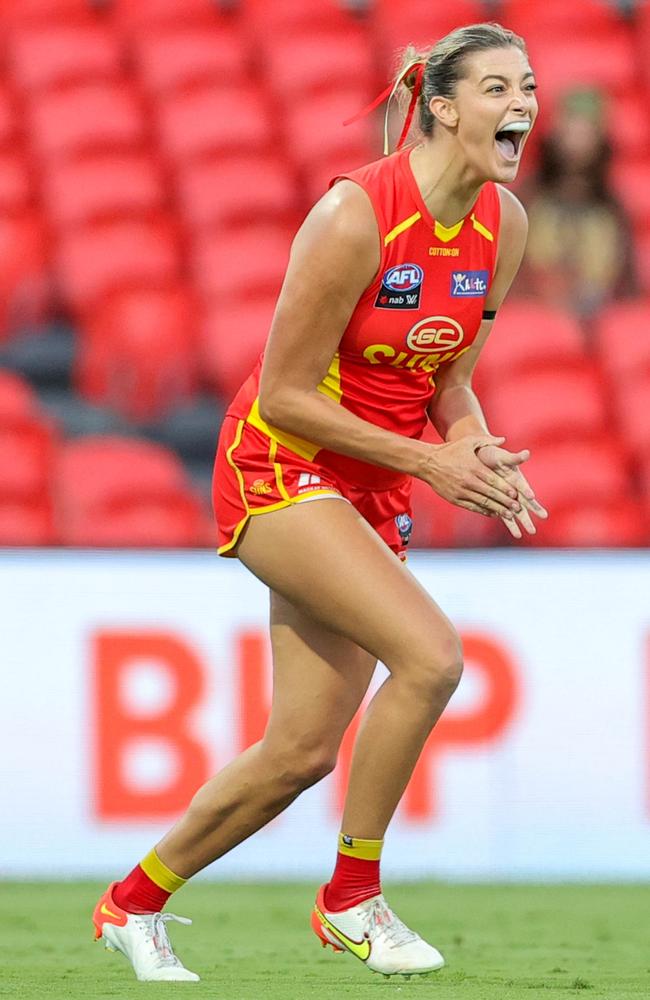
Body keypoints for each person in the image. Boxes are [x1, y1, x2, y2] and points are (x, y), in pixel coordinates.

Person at [92, 22, 547, 983]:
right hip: (279, 462)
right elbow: (284, 394)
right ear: (443, 105)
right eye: (499, 88)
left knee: (298, 750)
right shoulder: (354, 216)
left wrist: (474, 449)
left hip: (371, 479)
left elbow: (450, 379)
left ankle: (132, 905)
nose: (522, 106)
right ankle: (351, 898)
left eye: (529, 86)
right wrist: (429, 467)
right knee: (430, 657)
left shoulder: (503, 225)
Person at [517, 87, 637, 321]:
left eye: (586, 130)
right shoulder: (528, 197)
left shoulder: (613, 207)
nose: (577, 140)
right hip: (536, 324)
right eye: (571, 128)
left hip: (599, 325)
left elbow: (626, 285)